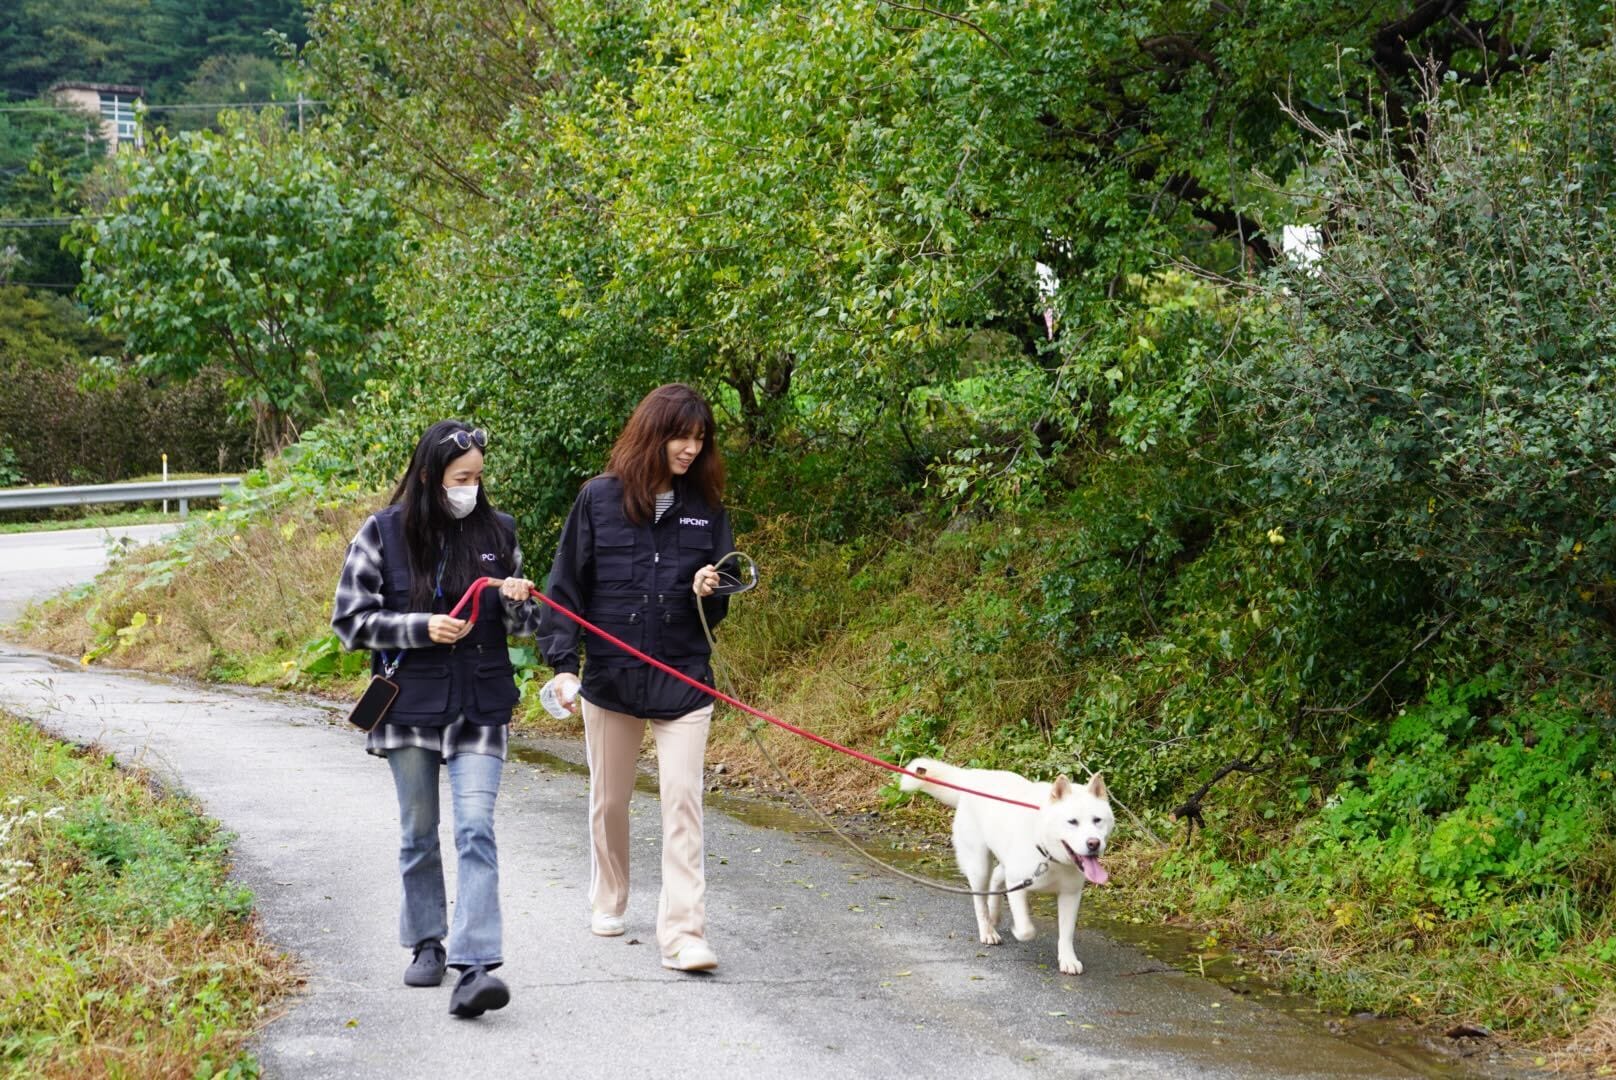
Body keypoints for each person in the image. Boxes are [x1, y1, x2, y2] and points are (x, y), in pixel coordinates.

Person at [331, 420, 538, 1017]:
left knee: (476, 827)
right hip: (409, 706)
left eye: (477, 477)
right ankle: (426, 942)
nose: (471, 488)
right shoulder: (382, 532)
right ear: (429, 477)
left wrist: (519, 604)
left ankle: (476, 964)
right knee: (418, 833)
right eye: (460, 478)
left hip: (481, 703)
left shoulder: (501, 532)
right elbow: (349, 622)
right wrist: (420, 628)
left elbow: (524, 631)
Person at [538, 383, 733, 972]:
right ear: (653, 433)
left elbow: (720, 599)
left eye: (700, 440)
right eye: (682, 436)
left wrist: (710, 587)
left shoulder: (708, 510)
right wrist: (562, 667)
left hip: (684, 678)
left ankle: (683, 935)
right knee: (610, 800)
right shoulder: (598, 500)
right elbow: (565, 586)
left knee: (683, 804)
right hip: (612, 678)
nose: (691, 450)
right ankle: (609, 897)